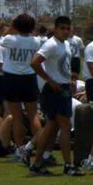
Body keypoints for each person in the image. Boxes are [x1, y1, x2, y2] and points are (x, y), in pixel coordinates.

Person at [27, 16, 82, 176]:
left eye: (68, 28)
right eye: (62, 28)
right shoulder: (51, 44)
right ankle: (68, 165)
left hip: (62, 87)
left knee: (51, 126)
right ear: (56, 29)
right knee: (64, 125)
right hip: (55, 90)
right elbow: (34, 62)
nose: (65, 31)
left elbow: (64, 66)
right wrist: (49, 80)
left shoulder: (65, 44)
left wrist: (70, 80)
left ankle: (37, 163)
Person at [0, 13, 43, 162]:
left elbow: (1, 40)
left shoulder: (10, 39)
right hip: (29, 78)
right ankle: (40, 148)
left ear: (16, 26)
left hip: (12, 78)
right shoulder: (36, 41)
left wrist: (11, 27)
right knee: (33, 116)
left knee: (17, 117)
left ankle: (20, 150)